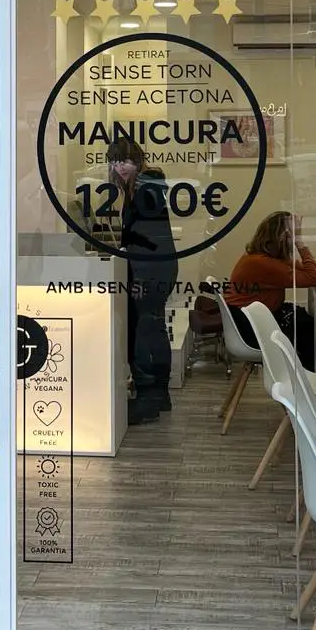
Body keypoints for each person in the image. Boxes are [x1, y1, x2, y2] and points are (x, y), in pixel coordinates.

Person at [107, 135, 176, 426]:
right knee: (153, 328)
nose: (120, 166)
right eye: (115, 160)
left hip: (150, 269)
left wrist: (129, 254)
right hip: (153, 266)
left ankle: (149, 398)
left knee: (145, 331)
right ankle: (158, 394)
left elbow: (147, 235)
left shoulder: (147, 186)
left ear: (137, 160)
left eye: (125, 160)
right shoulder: (139, 187)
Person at [225, 211, 316, 371]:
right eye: (292, 235)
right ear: (282, 238)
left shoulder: (262, 258)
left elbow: (309, 269)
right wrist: (300, 243)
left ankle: (309, 378)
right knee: (308, 329)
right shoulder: (262, 264)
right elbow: (314, 277)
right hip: (251, 330)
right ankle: (309, 382)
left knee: (305, 321)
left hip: (257, 318)